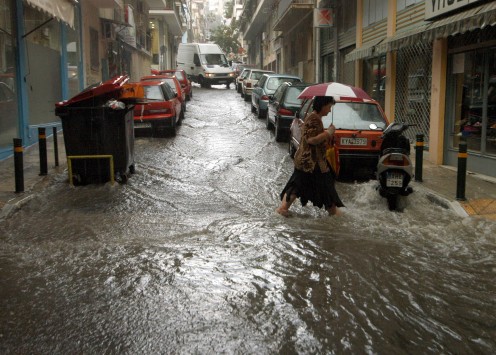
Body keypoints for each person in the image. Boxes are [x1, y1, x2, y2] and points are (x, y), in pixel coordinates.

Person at [276, 96, 344, 217]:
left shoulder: (315, 118)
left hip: (307, 162)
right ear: (322, 105)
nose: (329, 110)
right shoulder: (314, 119)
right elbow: (311, 140)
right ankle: (335, 215)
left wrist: (327, 135)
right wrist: (328, 133)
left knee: (297, 185)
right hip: (312, 163)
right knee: (326, 188)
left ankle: (283, 209)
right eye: (329, 107)